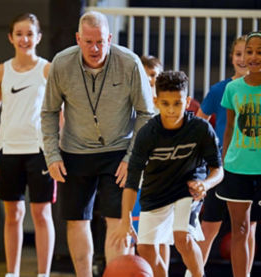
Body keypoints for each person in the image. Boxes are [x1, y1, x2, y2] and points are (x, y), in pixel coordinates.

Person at [41, 11, 153, 277]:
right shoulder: (61, 63)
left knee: (118, 221)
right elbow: (48, 112)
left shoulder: (130, 62)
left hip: (119, 152)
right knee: (78, 220)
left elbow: (146, 114)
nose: (95, 48)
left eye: (101, 42)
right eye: (89, 41)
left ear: (110, 38)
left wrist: (132, 158)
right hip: (74, 152)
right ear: (78, 38)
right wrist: (52, 154)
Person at [111, 71, 223, 277]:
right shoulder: (147, 134)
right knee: (144, 247)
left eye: (177, 103)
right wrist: (125, 219)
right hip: (155, 192)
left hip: (187, 190)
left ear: (187, 101)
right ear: (156, 101)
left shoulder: (201, 129)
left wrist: (205, 185)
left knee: (182, 236)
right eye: (165, 103)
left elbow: (218, 169)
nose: (171, 110)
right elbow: (132, 181)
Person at [0, 13, 55, 277]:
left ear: (38, 37)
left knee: (41, 214)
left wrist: (56, 146)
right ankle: (12, 273)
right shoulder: (1, 71)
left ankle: (43, 273)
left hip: (40, 152)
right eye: (19, 33)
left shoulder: (48, 69)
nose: (24, 39)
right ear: (11, 37)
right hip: (8, 152)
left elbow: (63, 111)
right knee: (13, 215)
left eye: (29, 33)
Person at [195, 35, 259, 277]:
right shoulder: (224, 89)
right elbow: (203, 123)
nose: (245, 58)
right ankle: (194, 272)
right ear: (232, 58)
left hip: (252, 168)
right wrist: (211, 156)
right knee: (211, 226)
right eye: (240, 53)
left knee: (249, 229)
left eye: (251, 52)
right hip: (224, 168)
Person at [216, 31, 261, 277]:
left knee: (251, 228)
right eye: (248, 52)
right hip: (237, 168)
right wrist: (223, 162)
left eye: (259, 52)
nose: (253, 57)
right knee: (240, 229)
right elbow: (230, 128)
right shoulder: (233, 89)